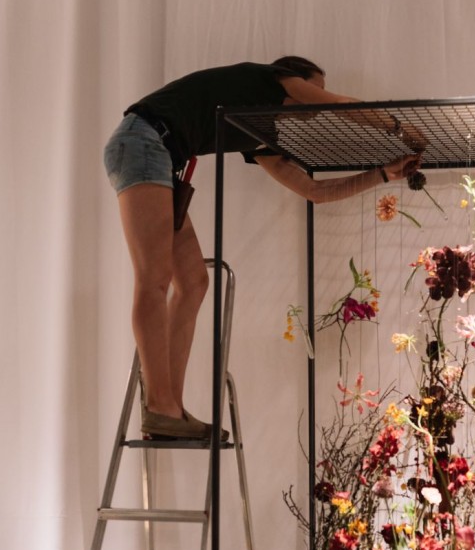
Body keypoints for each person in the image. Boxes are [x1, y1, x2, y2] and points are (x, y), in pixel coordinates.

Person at [103, 56, 423, 440]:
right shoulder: (270, 80)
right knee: (154, 280)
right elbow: (339, 105)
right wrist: (400, 129)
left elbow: (313, 191)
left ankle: (170, 407)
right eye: (314, 88)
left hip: (157, 155)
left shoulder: (258, 131)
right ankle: (160, 406)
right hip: (143, 141)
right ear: (292, 78)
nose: (315, 100)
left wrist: (383, 174)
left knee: (194, 282)